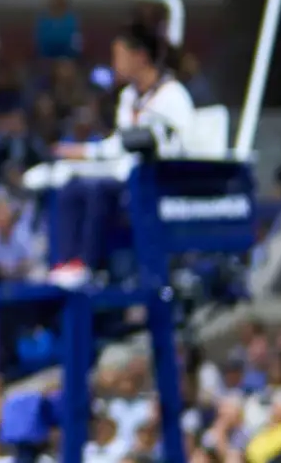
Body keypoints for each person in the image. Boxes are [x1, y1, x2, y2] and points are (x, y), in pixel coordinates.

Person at [47, 23, 198, 285]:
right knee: (70, 185)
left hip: (159, 180)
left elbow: (180, 146)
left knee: (97, 189)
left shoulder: (173, 96)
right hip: (125, 174)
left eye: (119, 56)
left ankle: (88, 265)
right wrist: (81, 152)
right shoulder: (128, 96)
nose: (114, 63)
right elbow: (119, 144)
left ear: (140, 57)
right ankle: (64, 264)